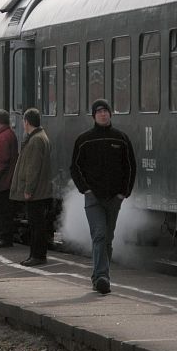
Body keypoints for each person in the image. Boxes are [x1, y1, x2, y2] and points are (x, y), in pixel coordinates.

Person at [70, 99, 136, 295]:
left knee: (108, 238)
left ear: (110, 114)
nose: (103, 114)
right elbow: (75, 167)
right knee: (99, 234)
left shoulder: (121, 139)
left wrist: (124, 193)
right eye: (99, 111)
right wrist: (86, 190)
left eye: (105, 110)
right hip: (93, 198)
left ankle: (99, 276)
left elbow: (130, 167)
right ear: (93, 116)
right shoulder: (84, 140)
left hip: (114, 198)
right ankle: (102, 277)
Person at [10, 108, 53, 267]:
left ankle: (37, 255)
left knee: (36, 225)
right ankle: (36, 255)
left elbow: (33, 167)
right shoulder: (41, 137)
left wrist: (28, 189)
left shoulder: (36, 140)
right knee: (37, 224)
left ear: (26, 122)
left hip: (36, 192)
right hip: (40, 190)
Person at [0, 109, 19, 248]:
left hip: (3, 182)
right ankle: (4, 237)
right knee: (4, 210)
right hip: (6, 180)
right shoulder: (8, 135)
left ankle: (4, 238)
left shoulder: (2, 138)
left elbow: (0, 161)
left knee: (2, 211)